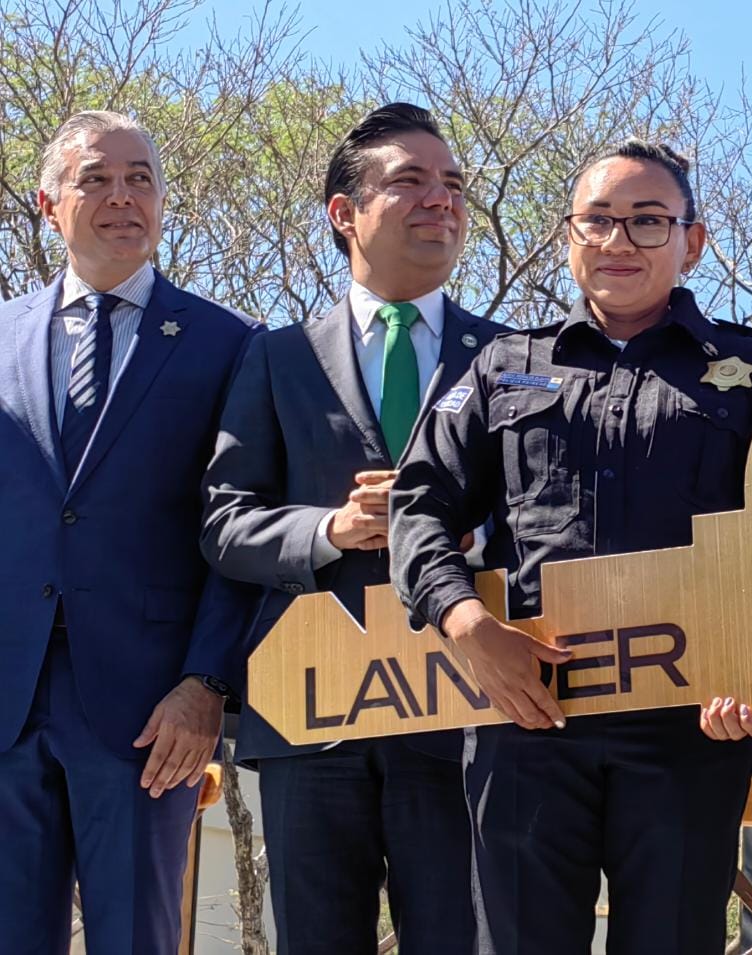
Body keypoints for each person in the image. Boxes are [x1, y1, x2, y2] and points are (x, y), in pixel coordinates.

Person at [390, 139, 752, 954]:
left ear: (693, 241)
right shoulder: (503, 366)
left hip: (690, 726)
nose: (619, 242)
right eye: (598, 221)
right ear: (568, 236)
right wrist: (464, 621)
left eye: (648, 223)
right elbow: (417, 504)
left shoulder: (750, 370)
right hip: (527, 718)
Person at [201, 103, 501, 954]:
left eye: (452, 184)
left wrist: (458, 539)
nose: (439, 199)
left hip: (464, 710)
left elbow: (549, 529)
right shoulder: (275, 357)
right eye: (410, 181)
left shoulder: (515, 358)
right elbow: (226, 526)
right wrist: (333, 526)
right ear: (344, 212)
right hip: (312, 714)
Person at [0, 110, 260, 954]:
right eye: (97, 179)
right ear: (48, 203)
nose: (123, 198)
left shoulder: (230, 345)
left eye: (140, 178)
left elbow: (237, 532)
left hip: (152, 712)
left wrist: (206, 684)